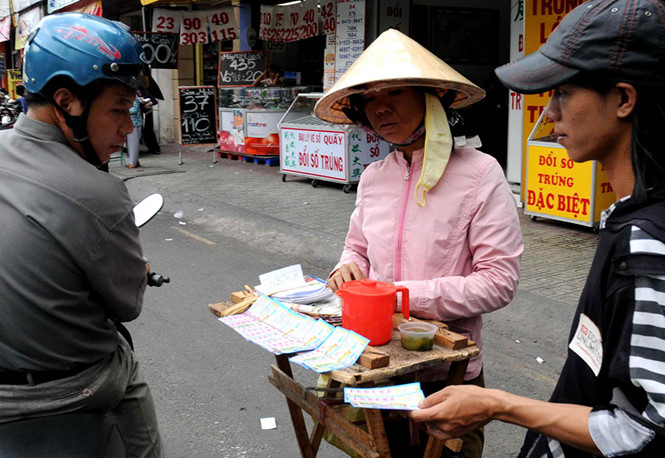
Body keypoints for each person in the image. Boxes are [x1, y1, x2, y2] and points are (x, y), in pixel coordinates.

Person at [409, 0, 665, 456]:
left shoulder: (648, 242)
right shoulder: (627, 218)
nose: (549, 115)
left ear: (624, 99)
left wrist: (498, 404)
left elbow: (645, 430)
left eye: (563, 93)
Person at [314, 29, 523, 458]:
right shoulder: (373, 177)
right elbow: (356, 249)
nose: (381, 107)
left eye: (394, 92)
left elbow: (499, 282)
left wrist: (401, 297)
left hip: (448, 375)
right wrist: (346, 269)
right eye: (369, 99)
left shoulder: (481, 174)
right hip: (376, 365)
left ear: (430, 97)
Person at [0, 12, 164, 457]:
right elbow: (126, 306)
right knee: (126, 371)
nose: (128, 128)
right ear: (67, 101)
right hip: (70, 390)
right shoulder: (100, 193)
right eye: (117, 109)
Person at [139, 89, 161, 154]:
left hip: (148, 114)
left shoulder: (147, 93)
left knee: (148, 131)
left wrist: (149, 103)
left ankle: (154, 148)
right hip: (138, 115)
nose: (139, 91)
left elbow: (154, 101)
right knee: (139, 132)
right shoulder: (134, 94)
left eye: (140, 90)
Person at [127, 93, 143, 168]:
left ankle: (132, 162)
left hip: (134, 123)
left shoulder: (134, 97)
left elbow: (134, 110)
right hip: (131, 123)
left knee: (133, 143)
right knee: (131, 143)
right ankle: (134, 161)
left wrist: (124, 109)